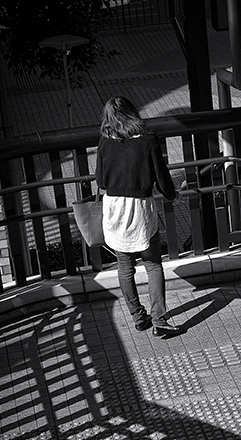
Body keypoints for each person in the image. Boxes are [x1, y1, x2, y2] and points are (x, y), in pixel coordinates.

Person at [95, 96, 183, 338]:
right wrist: (172, 195)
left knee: (125, 267)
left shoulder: (105, 142)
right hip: (140, 209)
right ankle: (160, 320)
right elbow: (162, 178)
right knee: (153, 264)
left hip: (114, 209)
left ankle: (138, 317)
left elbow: (100, 181)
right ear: (134, 113)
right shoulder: (148, 141)